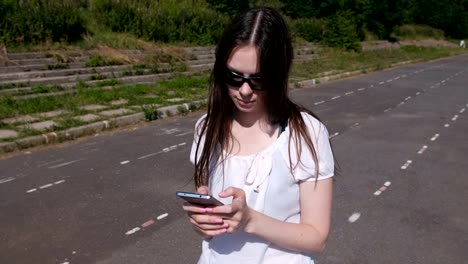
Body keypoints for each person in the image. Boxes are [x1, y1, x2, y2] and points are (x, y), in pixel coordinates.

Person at [183, 6, 335, 264]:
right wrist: (203, 223)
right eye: (234, 77)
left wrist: (250, 220)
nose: (244, 90)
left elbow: (316, 237)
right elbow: (211, 231)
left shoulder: (306, 134)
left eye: (258, 80)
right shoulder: (207, 128)